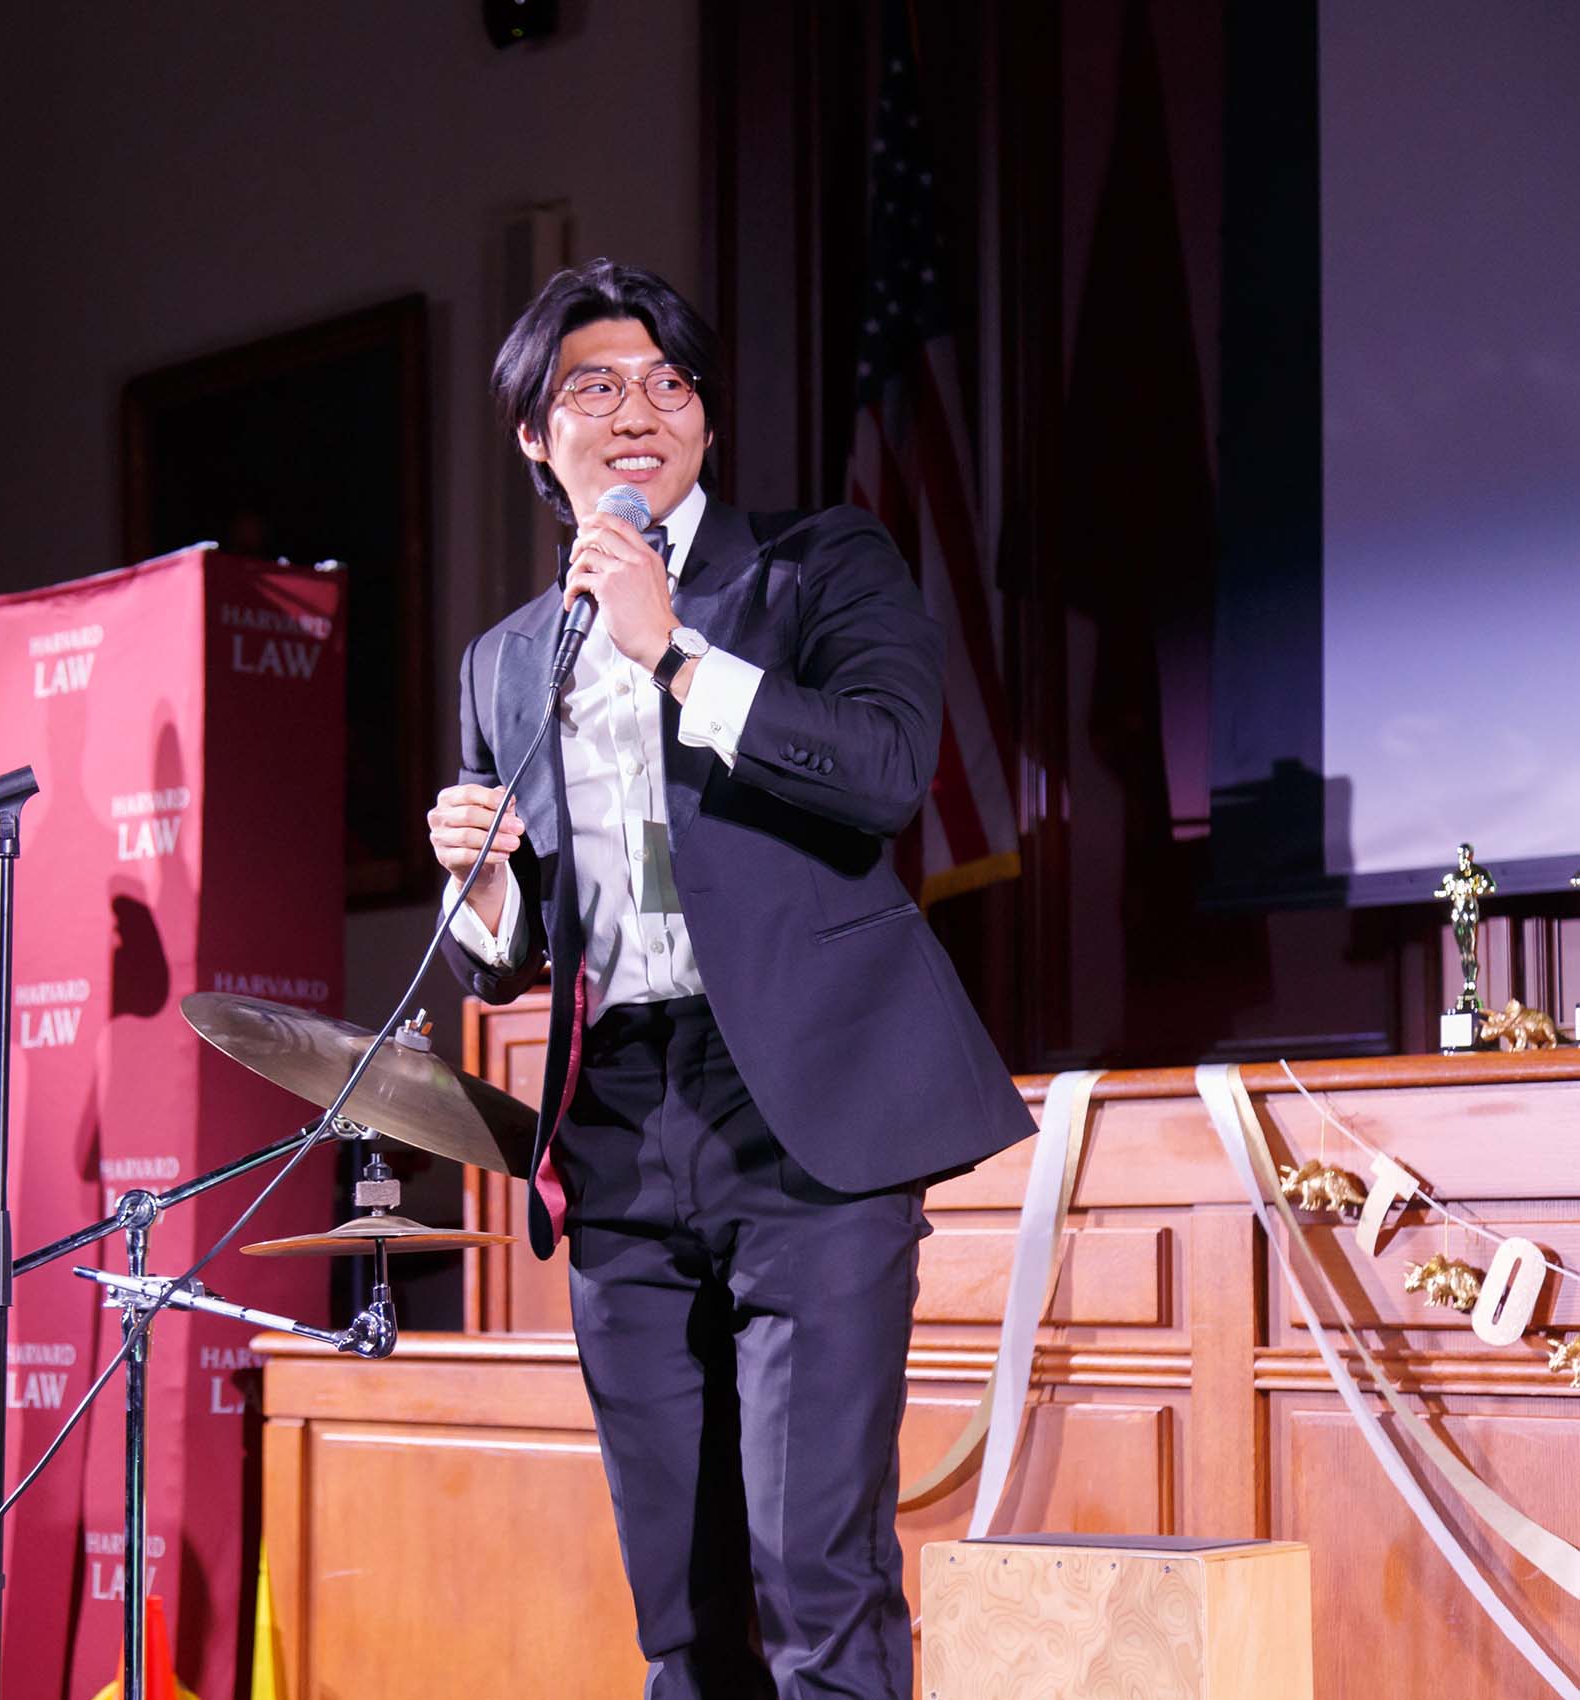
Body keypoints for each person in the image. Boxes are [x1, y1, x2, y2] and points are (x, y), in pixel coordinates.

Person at [429, 260, 1031, 1699]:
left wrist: (678, 657)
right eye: (593, 386)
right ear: (531, 434)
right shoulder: (505, 662)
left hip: (804, 1115)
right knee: (681, 1605)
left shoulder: (819, 566)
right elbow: (512, 949)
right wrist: (492, 889)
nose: (638, 411)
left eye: (668, 382)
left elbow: (885, 771)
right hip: (617, 1128)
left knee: (813, 1575)